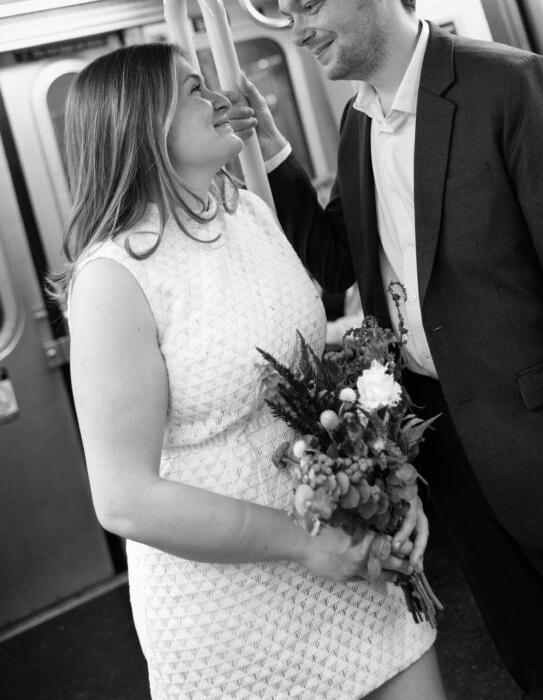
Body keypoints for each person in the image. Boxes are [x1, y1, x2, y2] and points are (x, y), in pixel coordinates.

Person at [229, 0, 543, 699]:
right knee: (538, 669)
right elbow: (339, 259)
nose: (297, 30)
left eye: (309, 4)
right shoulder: (360, 124)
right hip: (453, 457)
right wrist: (270, 147)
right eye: (287, 13)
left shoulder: (509, 88)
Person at [55, 42, 447, 700]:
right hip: (231, 604)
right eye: (192, 89)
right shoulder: (112, 281)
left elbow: (315, 371)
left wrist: (391, 487)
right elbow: (124, 498)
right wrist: (300, 544)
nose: (218, 99)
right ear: (139, 123)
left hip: (344, 543)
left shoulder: (248, 214)